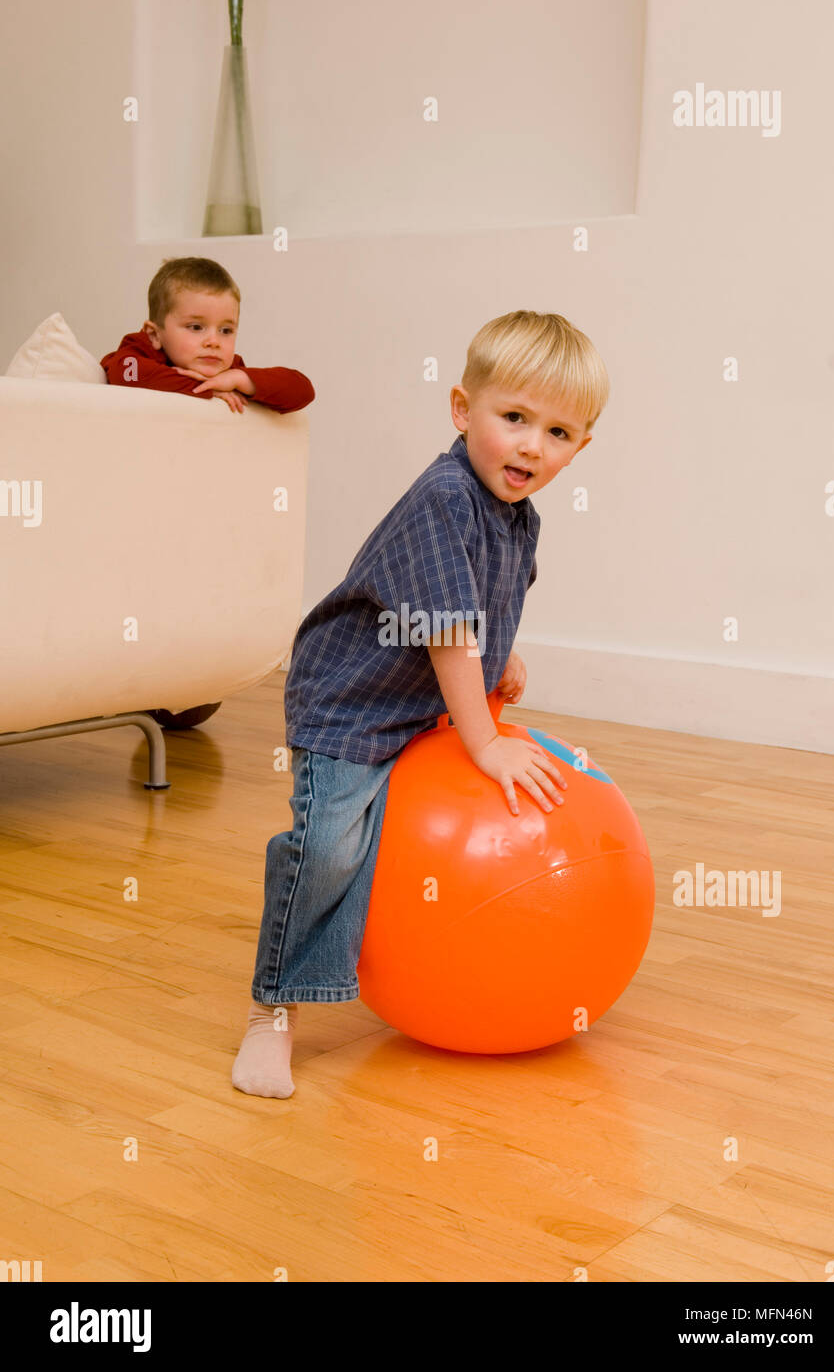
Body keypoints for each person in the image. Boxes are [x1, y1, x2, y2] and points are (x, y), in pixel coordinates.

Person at [232, 309, 610, 1098]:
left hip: (420, 704)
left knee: (391, 850)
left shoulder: (519, 515)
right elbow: (445, 631)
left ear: (581, 447)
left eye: (558, 432)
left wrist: (501, 659)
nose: (531, 446)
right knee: (331, 845)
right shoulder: (443, 495)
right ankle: (272, 1011)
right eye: (513, 419)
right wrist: (483, 742)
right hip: (352, 705)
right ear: (461, 410)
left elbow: (476, 608)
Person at [100, 256, 314, 415]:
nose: (214, 342)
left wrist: (239, 378)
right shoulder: (139, 351)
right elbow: (124, 373)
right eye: (196, 327)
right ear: (155, 335)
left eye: (226, 331)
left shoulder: (228, 371)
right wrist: (205, 389)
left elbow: (303, 390)